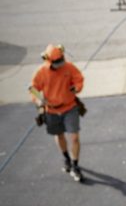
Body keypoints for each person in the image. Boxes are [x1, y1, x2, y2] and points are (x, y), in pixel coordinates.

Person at [30, 44, 85, 182]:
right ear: (48, 60)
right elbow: (33, 89)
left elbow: (79, 79)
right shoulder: (41, 72)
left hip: (70, 107)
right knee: (59, 136)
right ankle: (66, 158)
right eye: (57, 62)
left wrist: (76, 88)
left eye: (61, 59)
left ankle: (75, 165)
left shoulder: (69, 67)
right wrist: (38, 101)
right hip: (52, 111)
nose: (60, 64)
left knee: (74, 138)